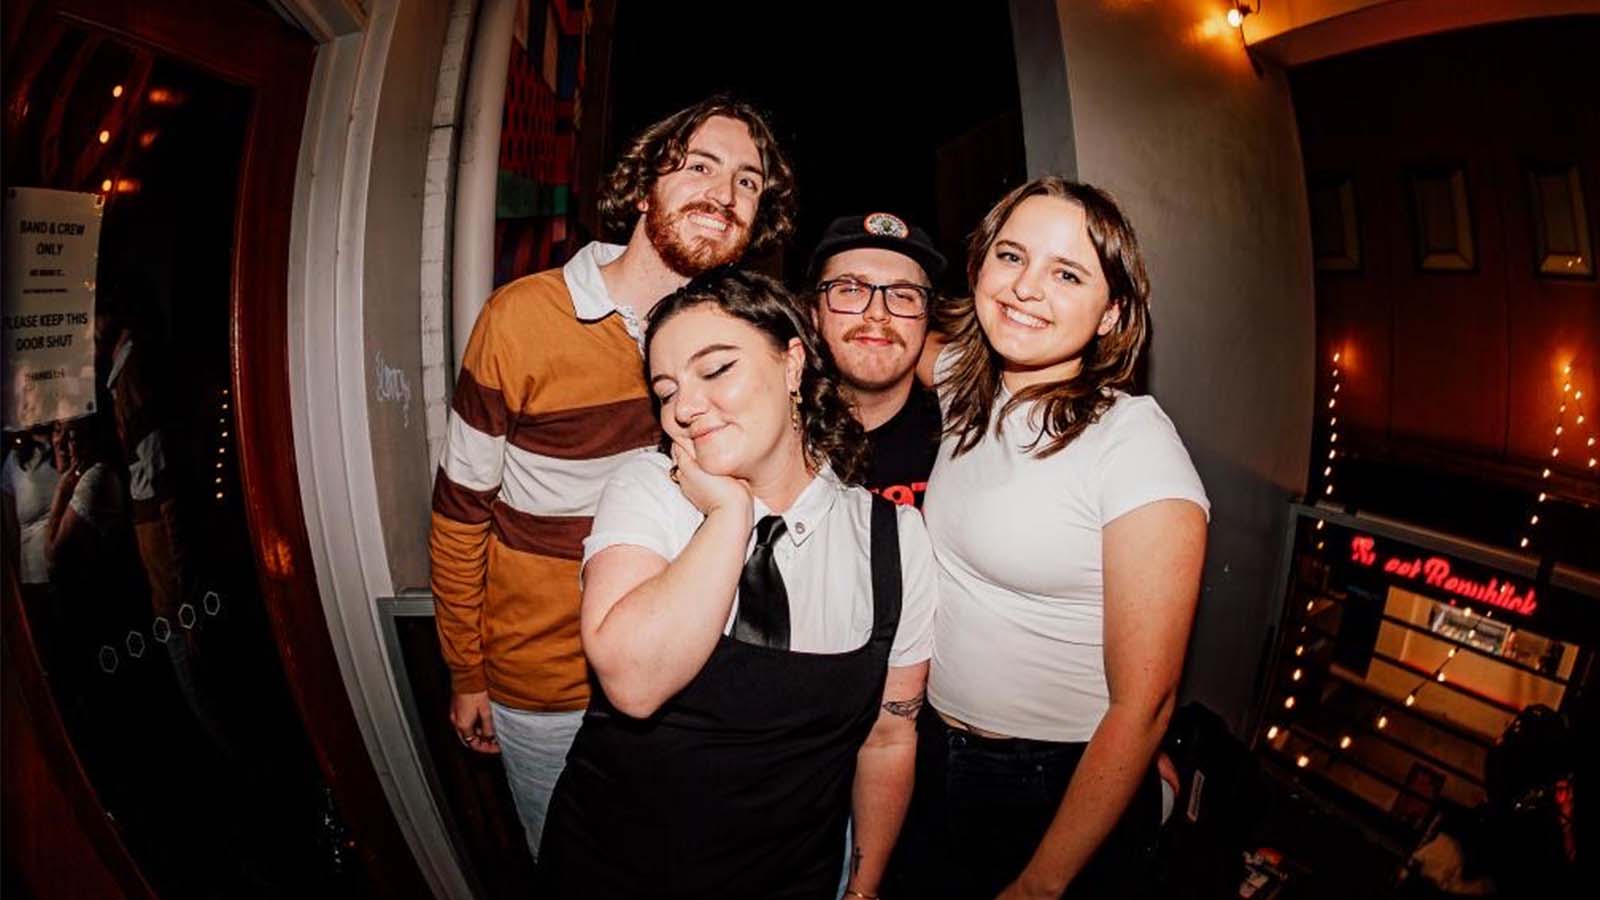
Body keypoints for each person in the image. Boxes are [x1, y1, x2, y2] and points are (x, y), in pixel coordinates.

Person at [428, 95, 795, 862]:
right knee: (576, 866)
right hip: (548, 681)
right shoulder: (522, 319)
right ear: (641, 187)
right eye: (699, 166)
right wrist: (468, 670)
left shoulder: (742, 339)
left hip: (691, 669)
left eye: (747, 183)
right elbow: (462, 516)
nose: (723, 195)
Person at [540, 268, 934, 900]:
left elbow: (888, 739)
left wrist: (863, 889)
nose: (686, 408)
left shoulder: (893, 539)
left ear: (791, 363)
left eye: (716, 369)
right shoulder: (649, 489)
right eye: (666, 391)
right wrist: (729, 516)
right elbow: (634, 683)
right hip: (609, 873)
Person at [896, 177, 1209, 899]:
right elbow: (887, 343)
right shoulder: (971, 387)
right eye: (1011, 257)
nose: (1026, 288)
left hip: (1051, 782)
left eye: (1067, 273)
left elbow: (1145, 705)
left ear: (1111, 316)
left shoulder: (1133, 445)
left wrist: (1042, 884)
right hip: (936, 751)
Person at [808, 213, 945, 508]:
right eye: (852, 290)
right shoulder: (775, 437)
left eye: (903, 295)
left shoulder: (965, 436)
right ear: (814, 315)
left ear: (926, 320)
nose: (878, 312)